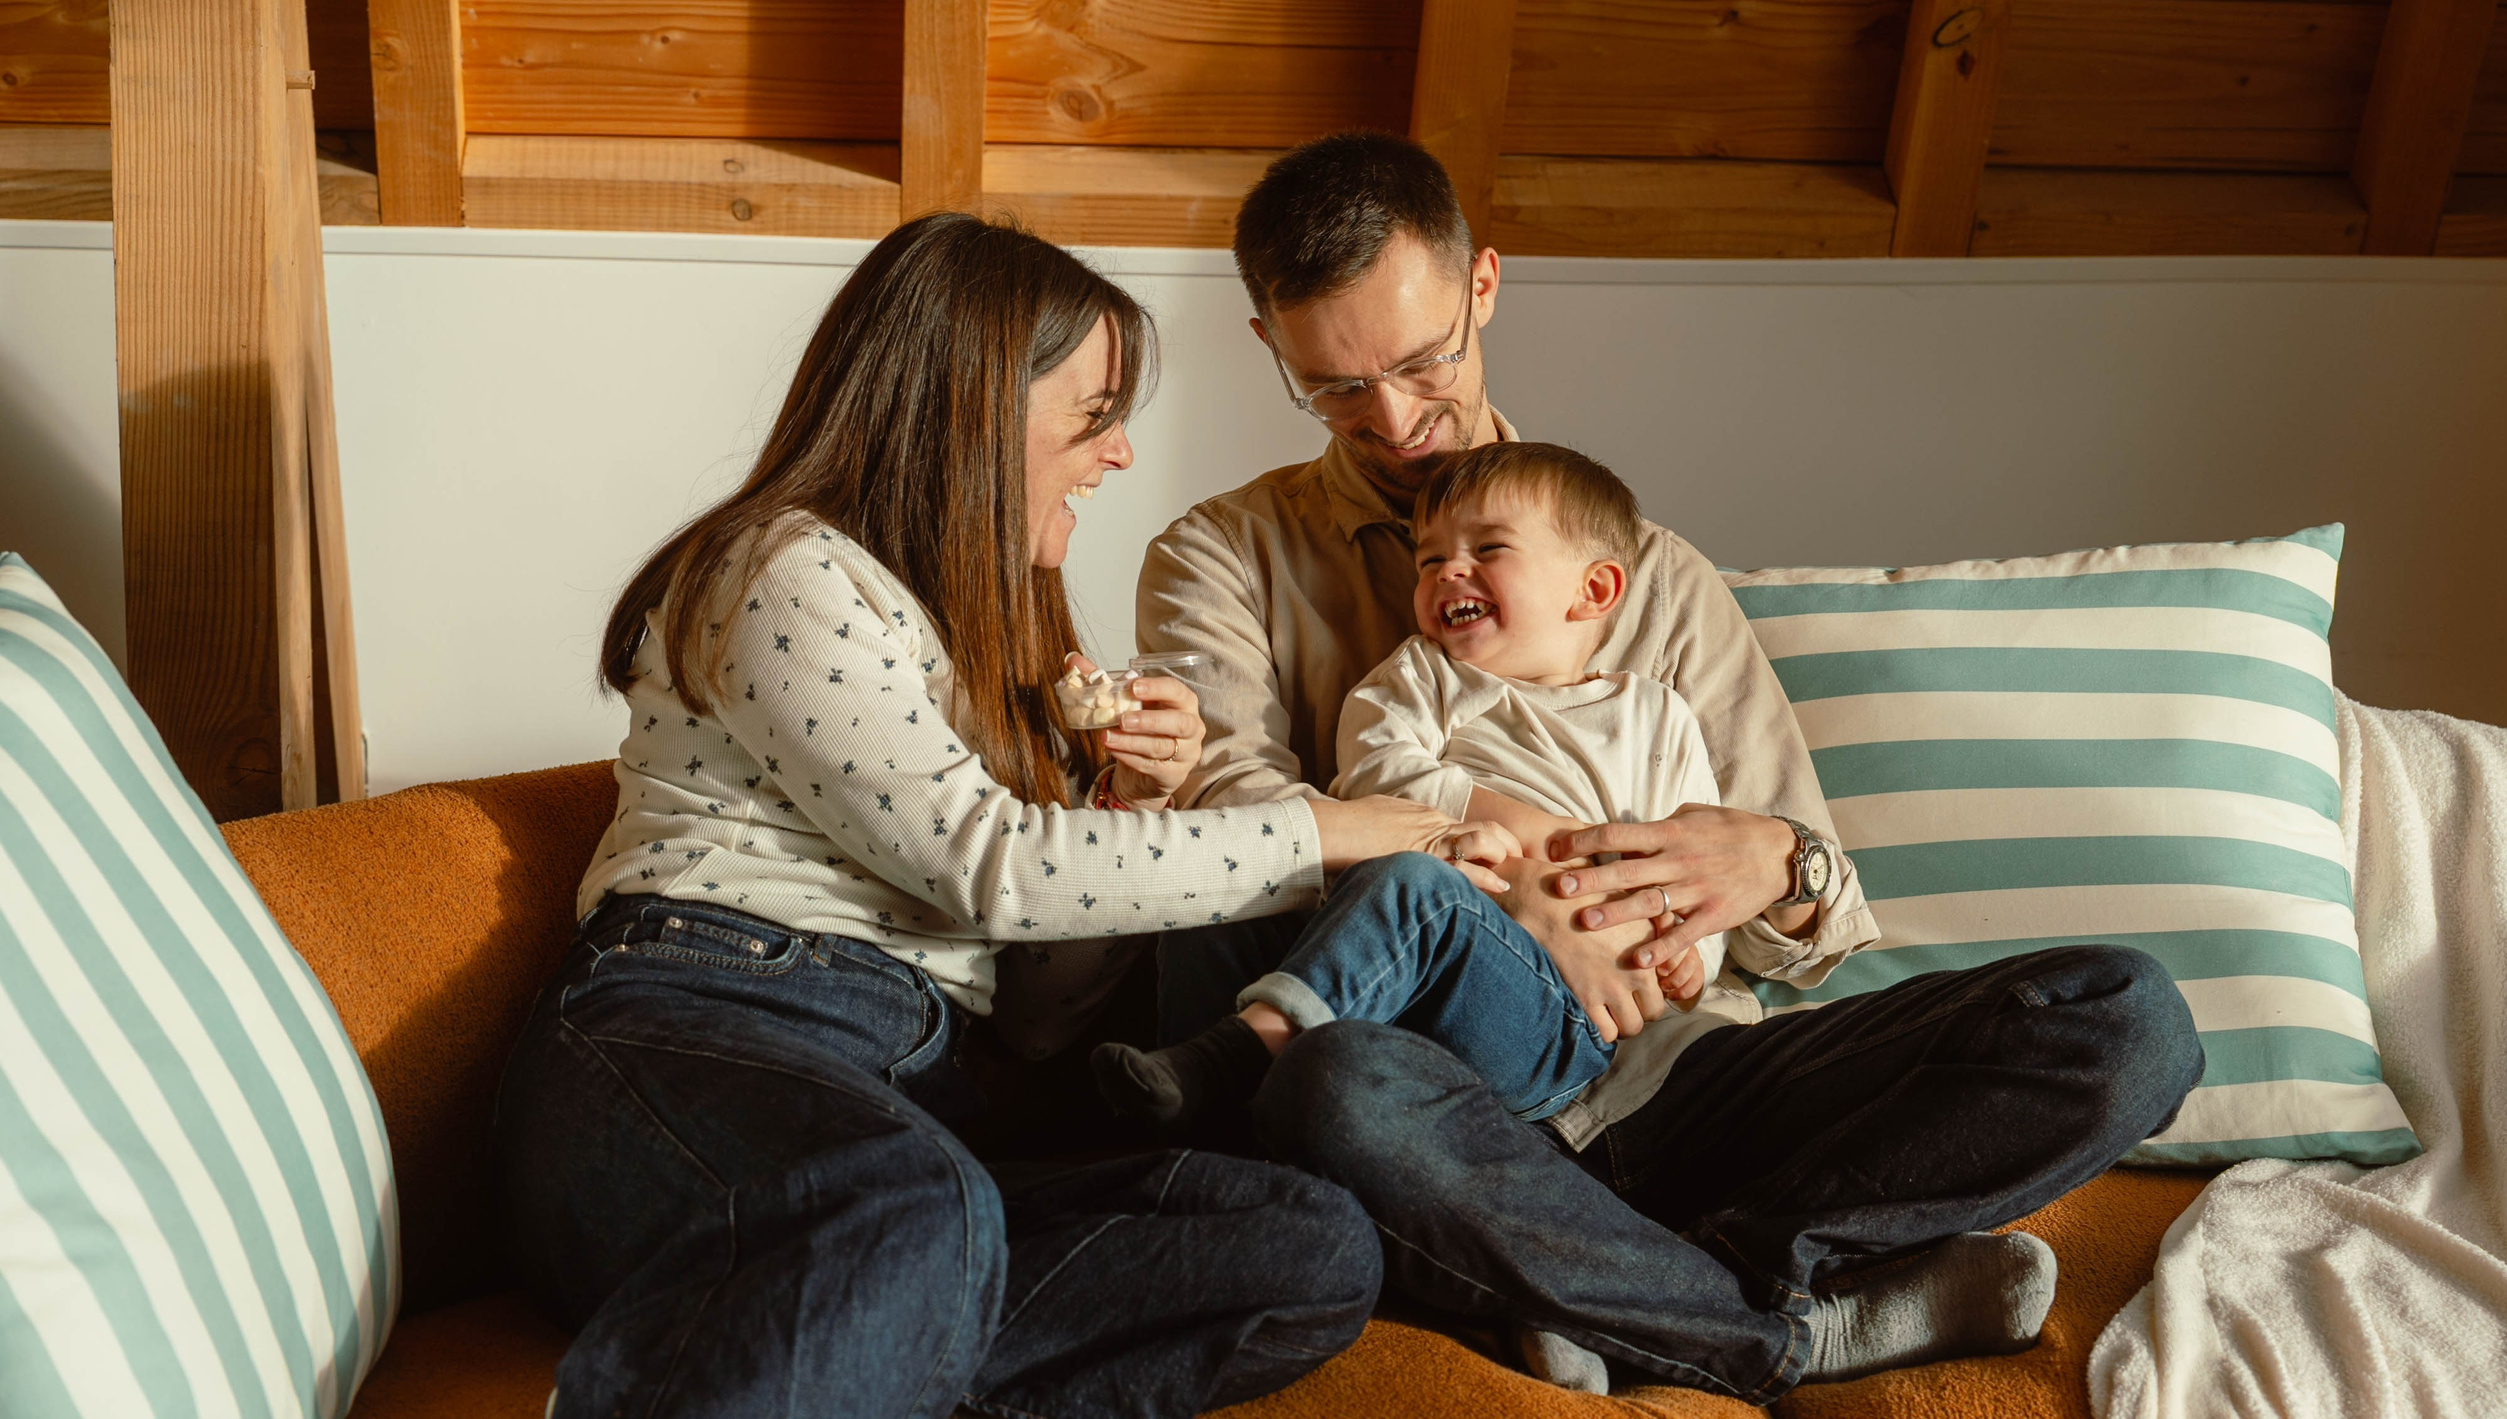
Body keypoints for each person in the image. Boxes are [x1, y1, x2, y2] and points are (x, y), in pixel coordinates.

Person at [1136, 133, 2208, 1400]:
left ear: (1484, 285)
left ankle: (1655, 1275)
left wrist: (1778, 861)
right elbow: (1235, 832)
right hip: (1458, 1095)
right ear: (1268, 345)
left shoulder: (1652, 577)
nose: (1396, 421)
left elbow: (1813, 932)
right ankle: (1776, 1328)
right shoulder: (1219, 559)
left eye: (1425, 361)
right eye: (1334, 388)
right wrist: (1513, 894)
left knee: (2126, 1018)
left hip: (1696, 1076)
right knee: (1326, 1080)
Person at [493, 213, 1462, 1419]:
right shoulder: (782, 570)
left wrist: (1120, 799)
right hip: (699, 1031)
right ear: (972, 413)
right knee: (917, 1205)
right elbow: (991, 865)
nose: (1118, 454)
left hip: (914, 1103)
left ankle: (840, 1363)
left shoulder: (995, 644)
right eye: (1094, 415)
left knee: (1305, 1242)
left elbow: (1040, 1018)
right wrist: (1324, 829)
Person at [1092, 441, 1740, 1138]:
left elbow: (1692, 863)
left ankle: (1231, 1056)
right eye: (1429, 560)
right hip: (1410, 979)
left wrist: (1686, 960)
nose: (1448, 571)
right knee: (1233, 885)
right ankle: (1181, 1111)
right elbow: (1374, 769)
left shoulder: (1656, 715)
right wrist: (1518, 837)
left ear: (1595, 590)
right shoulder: (1426, 673)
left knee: (1417, 884)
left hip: (1564, 1021)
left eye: (1488, 549)